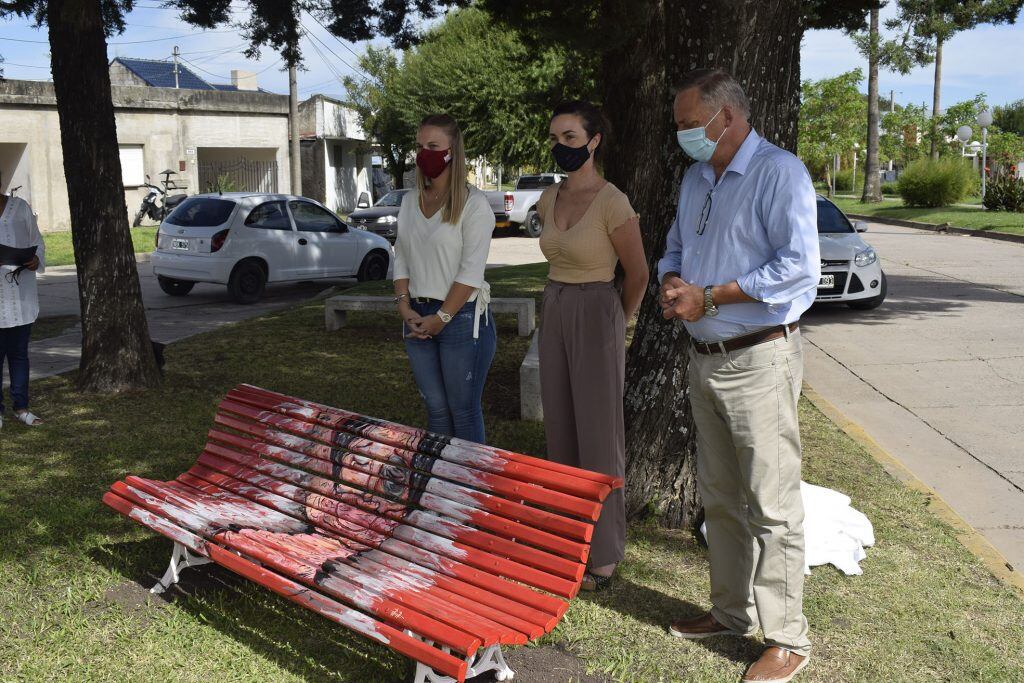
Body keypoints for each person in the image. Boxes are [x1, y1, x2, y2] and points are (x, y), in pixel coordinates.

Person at [657, 69, 820, 683]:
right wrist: (676, 283)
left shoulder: (781, 173)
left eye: (686, 123)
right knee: (720, 497)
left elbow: (799, 271)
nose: (681, 135)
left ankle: (787, 638)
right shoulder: (696, 176)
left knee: (771, 504)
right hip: (705, 360)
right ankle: (729, 612)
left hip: (759, 358)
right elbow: (676, 246)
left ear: (726, 117)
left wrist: (713, 298)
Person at [536, 101, 649, 591]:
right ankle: (567, 540)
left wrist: (615, 324)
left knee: (600, 437)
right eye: (556, 138)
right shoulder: (547, 198)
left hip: (598, 307)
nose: (562, 147)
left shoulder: (612, 202)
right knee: (560, 428)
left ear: (595, 140)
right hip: (555, 306)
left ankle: (603, 555)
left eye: (571, 138)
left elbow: (639, 273)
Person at [392, 114, 497, 443]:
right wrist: (404, 307)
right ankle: (441, 485)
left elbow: (470, 273)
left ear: (453, 151)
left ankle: (470, 489)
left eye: (433, 146)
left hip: (462, 318)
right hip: (417, 315)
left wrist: (441, 318)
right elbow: (402, 257)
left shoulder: (475, 205)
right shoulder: (410, 201)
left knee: (462, 411)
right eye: (420, 146)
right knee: (436, 410)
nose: (425, 153)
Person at [0, 191, 46, 429]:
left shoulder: (20, 208)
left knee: (19, 355)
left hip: (20, 294)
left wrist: (36, 259)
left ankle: (22, 407)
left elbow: (37, 241)